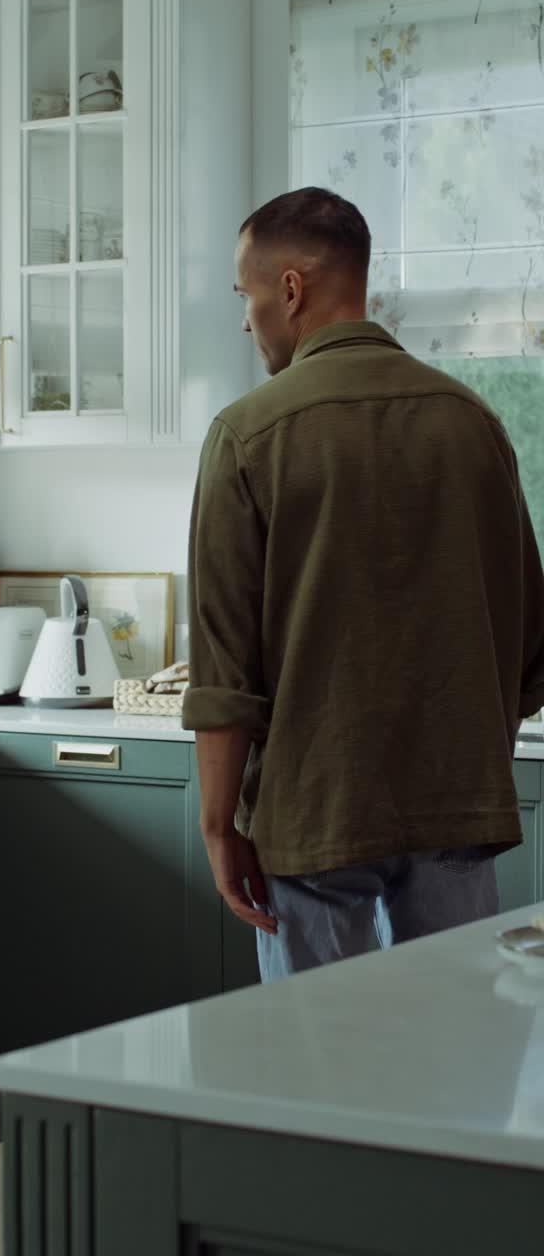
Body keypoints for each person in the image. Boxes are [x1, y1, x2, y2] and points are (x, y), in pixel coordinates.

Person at [182, 188, 544, 982]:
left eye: (246, 295)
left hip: (314, 813)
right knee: (458, 1065)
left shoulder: (247, 434)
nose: (246, 321)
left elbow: (223, 670)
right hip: (457, 804)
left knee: (319, 1074)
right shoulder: (473, 421)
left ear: (290, 289)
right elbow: (527, 643)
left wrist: (218, 827)